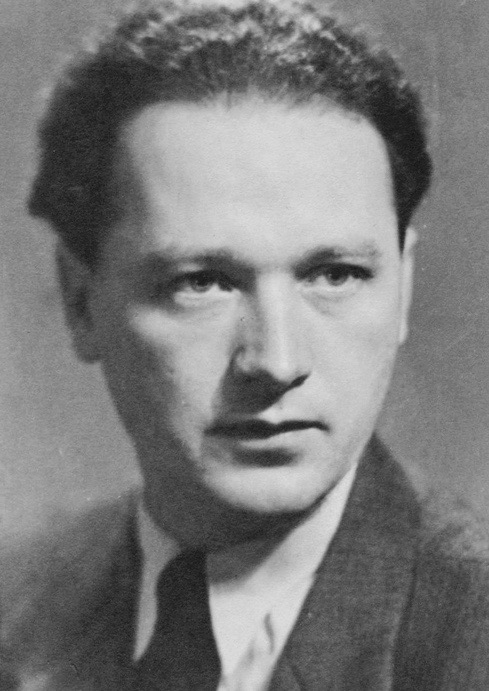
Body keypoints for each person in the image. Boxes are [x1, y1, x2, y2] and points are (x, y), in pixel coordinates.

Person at [2, 0, 489, 688]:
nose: (277, 361)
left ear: (403, 287)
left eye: (335, 275)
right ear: (82, 302)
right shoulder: (18, 600)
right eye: (201, 282)